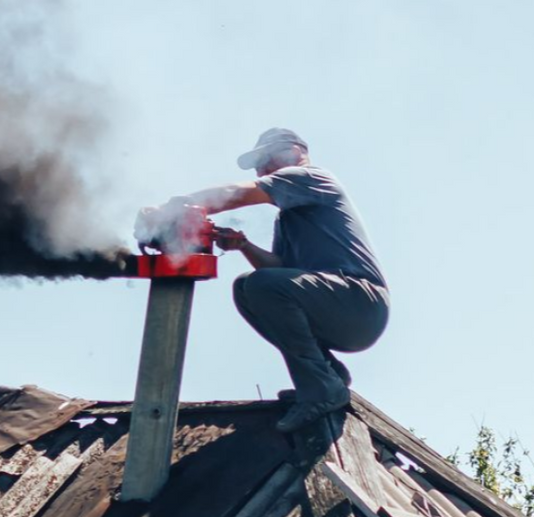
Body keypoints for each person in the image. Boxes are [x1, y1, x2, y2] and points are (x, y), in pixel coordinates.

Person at [153, 127, 389, 433]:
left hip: (360, 301)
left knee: (262, 285)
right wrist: (244, 246)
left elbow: (239, 193)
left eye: (265, 159)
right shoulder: (289, 217)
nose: (261, 169)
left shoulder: (313, 177)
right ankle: (327, 375)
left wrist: (175, 206)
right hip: (342, 307)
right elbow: (280, 267)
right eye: (257, 165)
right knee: (247, 287)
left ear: (294, 152)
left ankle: (321, 388)